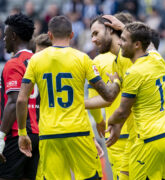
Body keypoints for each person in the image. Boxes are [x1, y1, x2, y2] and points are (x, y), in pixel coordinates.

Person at [16, 15, 120, 180]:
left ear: (49, 35)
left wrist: (22, 132)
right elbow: (108, 95)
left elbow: (21, 99)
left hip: (49, 134)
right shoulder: (82, 58)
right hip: (78, 132)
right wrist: (116, 83)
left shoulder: (35, 60)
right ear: (72, 35)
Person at [107, 21, 165, 179]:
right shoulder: (158, 59)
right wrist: (123, 26)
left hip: (150, 140)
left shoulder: (134, 73)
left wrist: (111, 122)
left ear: (137, 45)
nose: (119, 42)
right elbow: (151, 46)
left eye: (124, 40)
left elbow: (122, 112)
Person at [87, 12, 134, 179]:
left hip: (138, 135)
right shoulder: (118, 62)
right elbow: (110, 97)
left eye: (96, 33)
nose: (92, 40)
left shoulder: (135, 57)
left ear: (112, 29)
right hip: (132, 133)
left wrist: (104, 121)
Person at [0, 13, 39, 180]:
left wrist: (1, 136)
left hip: (17, 135)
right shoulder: (39, 61)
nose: (3, 39)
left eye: (5, 35)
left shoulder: (14, 63)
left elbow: (14, 101)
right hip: (38, 134)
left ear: (13, 36)